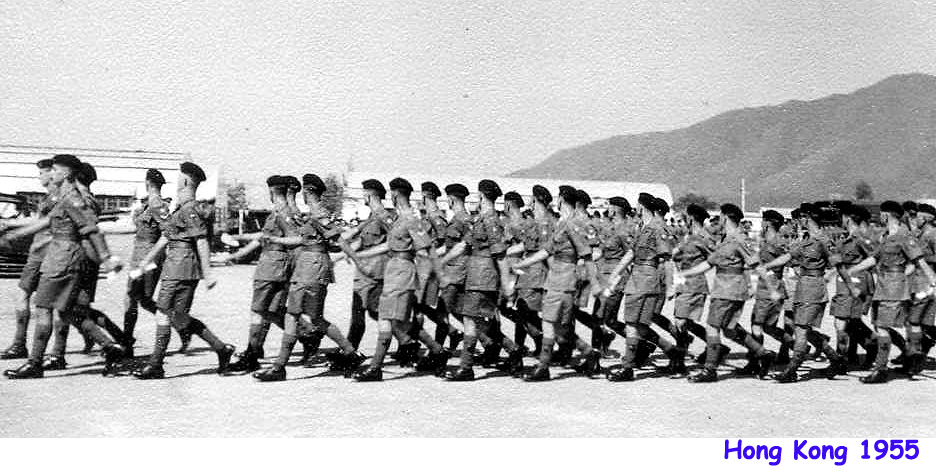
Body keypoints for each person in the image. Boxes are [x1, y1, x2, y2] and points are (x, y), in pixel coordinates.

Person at [2, 155, 124, 379]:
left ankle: (35, 363)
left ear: (66, 173)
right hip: (59, 256)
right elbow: (47, 222)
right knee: (68, 312)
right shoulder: (63, 197)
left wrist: (106, 258)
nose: (51, 173)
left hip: (63, 259)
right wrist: (14, 233)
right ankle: (110, 347)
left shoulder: (73, 199)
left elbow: (91, 229)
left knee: (43, 308)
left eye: (55, 170)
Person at [251, 174, 365, 381]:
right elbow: (304, 239)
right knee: (316, 318)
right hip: (311, 267)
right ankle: (351, 353)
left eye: (303, 190)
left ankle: (279, 367)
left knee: (292, 315)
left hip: (310, 269)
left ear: (307, 191)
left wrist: (358, 261)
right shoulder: (314, 214)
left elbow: (338, 240)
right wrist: (276, 239)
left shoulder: (318, 214)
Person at [130, 162, 236, 379]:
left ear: (186, 181)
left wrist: (208, 274)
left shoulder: (189, 209)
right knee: (178, 317)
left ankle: (156, 365)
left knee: (164, 313)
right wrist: (144, 263)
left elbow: (201, 241)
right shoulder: (181, 208)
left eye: (180, 177)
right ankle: (221, 348)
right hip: (176, 266)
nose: (177, 180)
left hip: (181, 267)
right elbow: (164, 239)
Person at [350, 177, 450, 381]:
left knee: (387, 317)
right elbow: (389, 245)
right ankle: (438, 351)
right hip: (394, 269)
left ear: (395, 195)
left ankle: (375, 367)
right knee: (399, 320)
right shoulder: (399, 220)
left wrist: (440, 275)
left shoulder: (411, 219)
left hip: (403, 271)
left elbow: (428, 248)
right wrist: (360, 255)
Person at [221, 175, 321, 373]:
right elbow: (264, 237)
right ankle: (305, 335)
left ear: (271, 192)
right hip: (276, 266)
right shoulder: (280, 212)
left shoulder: (284, 212)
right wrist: (238, 248)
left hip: (271, 268)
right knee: (271, 311)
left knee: (258, 311)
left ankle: (253, 355)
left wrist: (295, 269)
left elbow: (295, 241)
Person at [675, 203, 775, 383]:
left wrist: (771, 289)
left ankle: (710, 370)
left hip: (728, 289)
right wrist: (686, 273)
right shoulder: (726, 239)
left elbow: (756, 264)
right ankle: (763, 353)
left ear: (725, 218)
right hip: (726, 288)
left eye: (720, 217)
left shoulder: (738, 239)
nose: (718, 220)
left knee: (712, 326)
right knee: (729, 329)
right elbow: (709, 263)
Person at [512, 186, 602, 381]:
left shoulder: (570, 225)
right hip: (557, 279)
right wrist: (522, 264)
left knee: (548, 323)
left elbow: (587, 255)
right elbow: (546, 251)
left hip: (563, 279)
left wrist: (595, 283)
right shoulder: (562, 223)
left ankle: (543, 367)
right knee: (560, 328)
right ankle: (589, 353)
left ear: (561, 200)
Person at [442, 180, 524, 380]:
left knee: (471, 319)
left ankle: (466, 367)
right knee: (477, 320)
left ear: (480, 197)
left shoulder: (491, 221)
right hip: (475, 275)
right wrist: (439, 261)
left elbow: (500, 255)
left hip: (484, 277)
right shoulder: (481, 219)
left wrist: (506, 285)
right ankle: (513, 351)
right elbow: (464, 245)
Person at [845, 201, 936, 383]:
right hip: (884, 285)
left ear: (887, 215)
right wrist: (852, 270)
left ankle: (882, 368)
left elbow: (919, 260)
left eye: (881, 214)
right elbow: (874, 258)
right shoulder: (887, 236)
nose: (880, 217)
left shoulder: (903, 236)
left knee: (882, 326)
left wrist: (933, 279)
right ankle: (911, 356)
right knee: (881, 324)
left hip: (894, 286)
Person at [603, 193, 685, 381]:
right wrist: (615, 273)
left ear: (641, 207)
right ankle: (673, 353)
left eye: (637, 205)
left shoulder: (656, 228)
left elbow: (667, 259)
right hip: (640, 278)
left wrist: (670, 286)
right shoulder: (643, 227)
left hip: (645, 278)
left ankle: (627, 368)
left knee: (633, 324)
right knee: (639, 325)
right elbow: (631, 253)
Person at [771, 203, 849, 383]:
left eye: (801, 218)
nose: (799, 222)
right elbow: (788, 257)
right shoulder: (806, 240)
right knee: (804, 328)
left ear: (806, 218)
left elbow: (838, 265)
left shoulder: (823, 240)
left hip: (814, 287)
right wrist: (767, 265)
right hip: (802, 288)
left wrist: (850, 286)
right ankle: (836, 359)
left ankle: (792, 369)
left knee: (801, 329)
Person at [123, 169, 192, 357]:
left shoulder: (155, 203)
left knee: (132, 298)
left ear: (147, 183)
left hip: (147, 255)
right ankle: (183, 328)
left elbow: (168, 230)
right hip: (141, 253)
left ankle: (127, 342)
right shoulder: (150, 203)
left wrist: (152, 258)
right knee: (142, 300)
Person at [1, 159, 55, 360]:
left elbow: (42, 222)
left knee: (27, 298)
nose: (39, 177)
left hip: (42, 253)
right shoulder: (51, 196)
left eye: (42, 173)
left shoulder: (55, 197)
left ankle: (20, 345)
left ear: (51, 173)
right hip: (41, 253)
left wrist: (12, 228)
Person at [338, 179, 396, 351]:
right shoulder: (371, 216)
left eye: (364, 194)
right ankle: (350, 350)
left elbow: (393, 242)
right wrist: (340, 256)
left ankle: (350, 351)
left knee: (370, 311)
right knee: (364, 311)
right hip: (365, 270)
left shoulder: (384, 216)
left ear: (369, 196)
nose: (363, 197)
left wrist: (359, 255)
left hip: (375, 270)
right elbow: (363, 240)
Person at [828, 204, 878, 369]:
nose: (841, 220)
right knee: (851, 322)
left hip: (855, 283)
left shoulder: (860, 238)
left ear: (848, 218)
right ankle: (867, 346)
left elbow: (875, 257)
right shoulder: (848, 238)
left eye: (842, 217)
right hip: (846, 282)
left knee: (841, 321)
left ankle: (840, 361)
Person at [669, 204, 716, 372]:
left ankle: (679, 361)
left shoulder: (704, 237)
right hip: (683, 283)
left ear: (691, 218)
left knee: (680, 322)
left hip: (695, 284)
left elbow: (714, 258)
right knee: (684, 322)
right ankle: (716, 346)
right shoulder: (688, 236)